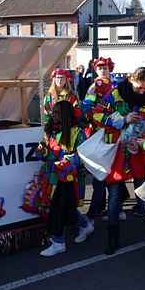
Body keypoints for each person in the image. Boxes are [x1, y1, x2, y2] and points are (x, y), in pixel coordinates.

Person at [82, 56, 128, 255]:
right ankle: (92, 216)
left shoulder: (118, 88)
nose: (102, 70)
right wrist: (91, 97)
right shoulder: (92, 88)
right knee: (100, 179)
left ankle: (113, 212)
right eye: (99, 67)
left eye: (105, 67)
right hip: (99, 137)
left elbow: (126, 110)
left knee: (115, 179)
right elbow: (87, 112)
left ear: (110, 68)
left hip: (118, 141)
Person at [113, 67, 145, 250]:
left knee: (144, 194)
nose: (142, 91)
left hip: (141, 153)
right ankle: (112, 240)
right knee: (115, 196)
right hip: (117, 152)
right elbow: (96, 115)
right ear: (131, 80)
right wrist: (122, 120)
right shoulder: (116, 94)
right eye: (138, 87)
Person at [39, 101, 92, 256]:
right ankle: (85, 225)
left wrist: (69, 161)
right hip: (54, 176)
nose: (53, 116)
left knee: (57, 208)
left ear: (66, 115)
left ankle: (58, 242)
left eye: (57, 113)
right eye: (53, 113)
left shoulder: (77, 132)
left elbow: (83, 155)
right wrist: (42, 151)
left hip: (70, 179)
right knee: (66, 208)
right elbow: (49, 154)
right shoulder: (51, 131)